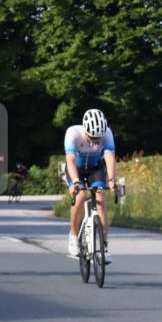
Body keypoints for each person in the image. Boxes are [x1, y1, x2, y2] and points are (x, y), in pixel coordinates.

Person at [64, 109, 117, 263]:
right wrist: (75, 182)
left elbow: (109, 157)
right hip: (76, 170)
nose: (94, 141)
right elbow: (71, 160)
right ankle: (73, 235)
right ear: (85, 129)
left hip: (95, 168)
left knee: (100, 198)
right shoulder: (73, 133)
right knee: (80, 196)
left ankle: (104, 246)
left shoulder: (107, 133)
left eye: (97, 138)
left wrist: (112, 180)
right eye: (91, 137)